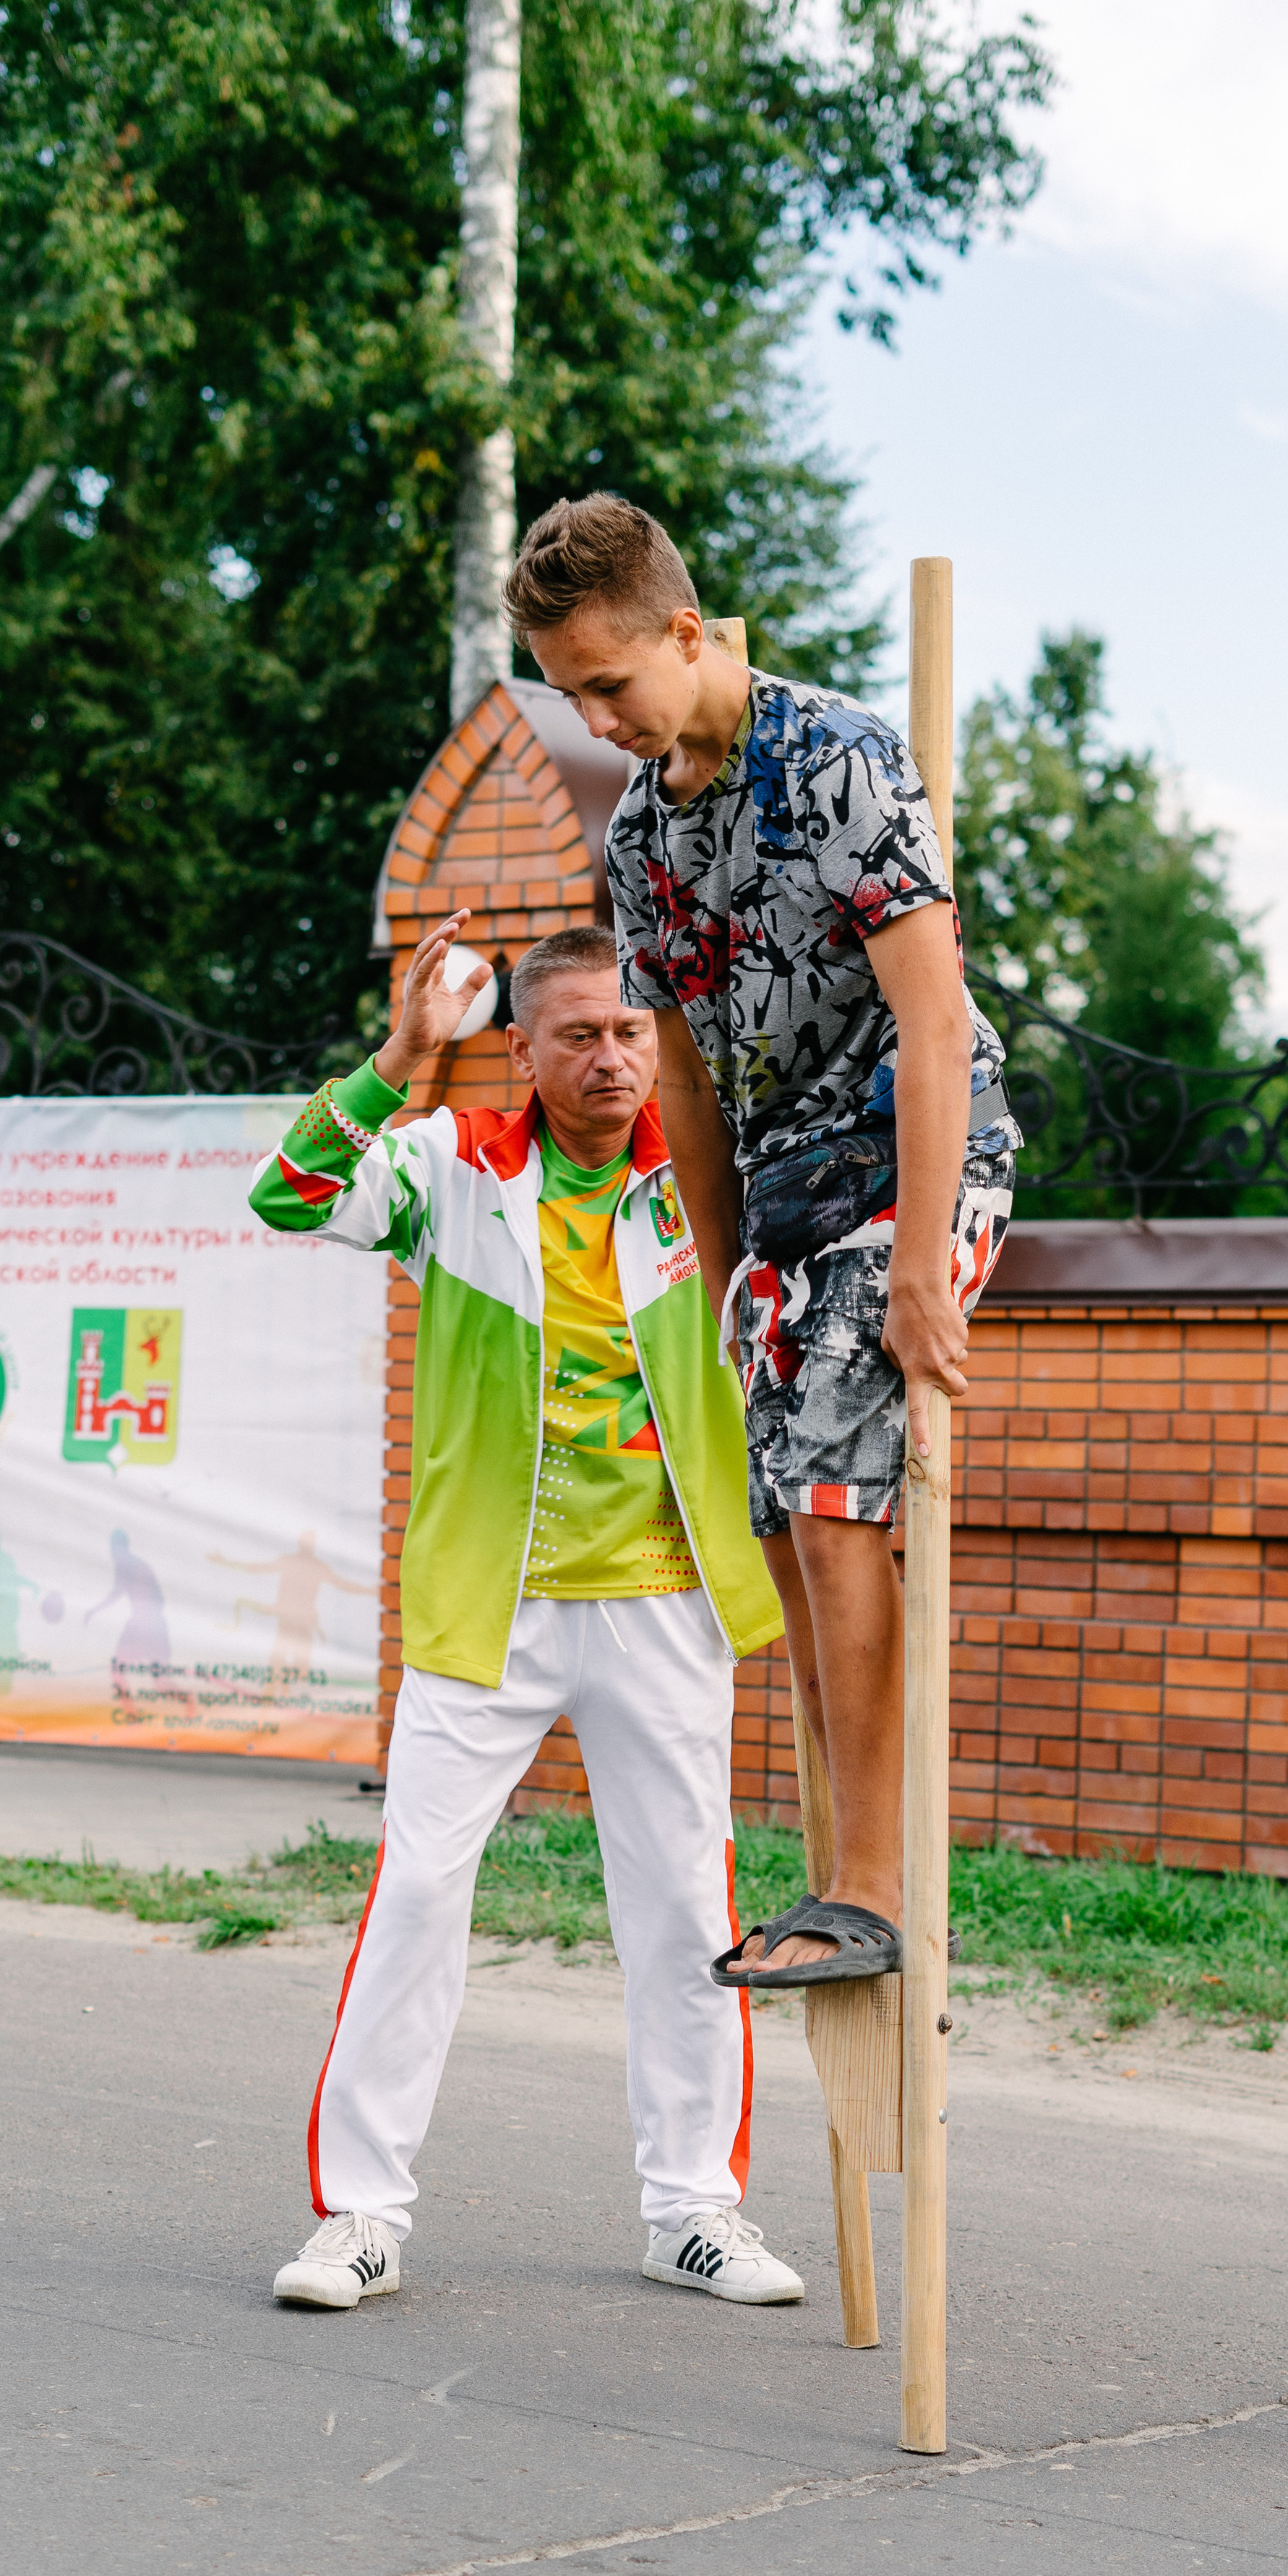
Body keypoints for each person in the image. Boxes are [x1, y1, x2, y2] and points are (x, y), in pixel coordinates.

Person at [250, 920, 804, 2309]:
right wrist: (404, 1056)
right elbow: (288, 1195)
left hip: (664, 1594)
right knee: (420, 1897)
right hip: (486, 1601)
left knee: (684, 1907)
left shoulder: (705, 1177)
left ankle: (695, 2209)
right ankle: (362, 2217)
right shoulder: (455, 1166)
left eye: (631, 1031)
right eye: (579, 1035)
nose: (611, 1056)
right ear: (526, 1050)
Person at [505, 495, 1018, 1985]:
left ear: (685, 629)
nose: (599, 720)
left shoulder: (837, 760)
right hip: (782, 1195)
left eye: (611, 684)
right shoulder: (649, 828)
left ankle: (871, 1887)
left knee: (843, 1493)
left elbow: (931, 1019)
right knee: (782, 1516)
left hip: (916, 1160)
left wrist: (921, 1264)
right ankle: (835, 1868)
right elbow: (677, 1073)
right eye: (572, 696)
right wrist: (718, 1275)